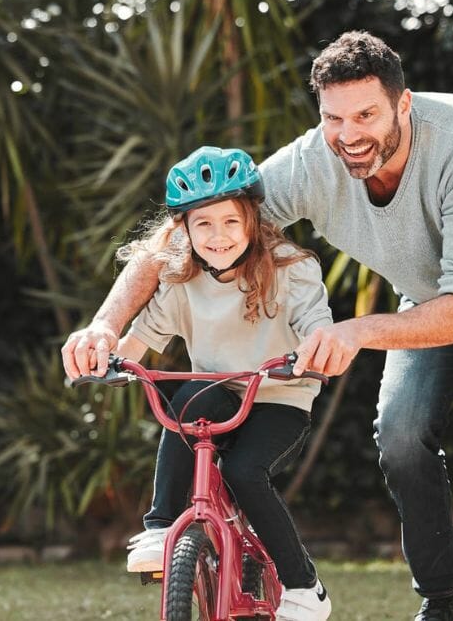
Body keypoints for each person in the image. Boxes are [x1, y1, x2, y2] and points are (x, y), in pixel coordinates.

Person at [63, 31, 453, 621]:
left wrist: (354, 331)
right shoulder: (314, 162)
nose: (350, 135)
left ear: (404, 104)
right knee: (400, 434)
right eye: (334, 117)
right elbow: (182, 239)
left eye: (368, 114)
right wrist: (104, 326)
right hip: (438, 292)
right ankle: (445, 593)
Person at [110, 146, 334, 621]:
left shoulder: (291, 268)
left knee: (245, 471)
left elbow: (316, 321)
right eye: (204, 224)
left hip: (279, 396)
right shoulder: (180, 278)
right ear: (184, 230)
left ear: (252, 221)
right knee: (185, 400)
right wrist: (110, 362)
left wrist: (316, 349)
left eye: (231, 222)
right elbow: (142, 337)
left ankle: (304, 586)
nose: (218, 236)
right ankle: (161, 526)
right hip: (218, 391)